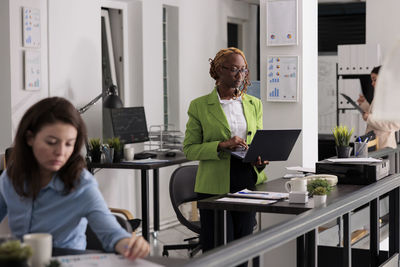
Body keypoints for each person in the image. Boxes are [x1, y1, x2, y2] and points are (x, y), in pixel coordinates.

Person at [0, 97, 149, 260]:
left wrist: (130, 244)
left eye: (69, 144)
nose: (60, 152)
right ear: (30, 138)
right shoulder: (11, 176)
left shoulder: (81, 184)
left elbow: (112, 233)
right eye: (51, 142)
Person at [183, 47, 268, 258]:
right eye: (233, 70)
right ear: (219, 70)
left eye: (244, 70)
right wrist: (221, 145)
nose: (240, 76)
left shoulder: (254, 104)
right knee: (218, 251)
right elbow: (189, 149)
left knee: (243, 247)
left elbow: (258, 142)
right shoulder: (200, 106)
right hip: (214, 186)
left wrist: (260, 158)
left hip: (247, 182)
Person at [357, 66, 400, 149]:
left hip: (384, 147)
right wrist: (364, 104)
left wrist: (369, 118)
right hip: (375, 145)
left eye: (375, 79)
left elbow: (395, 124)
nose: (372, 83)